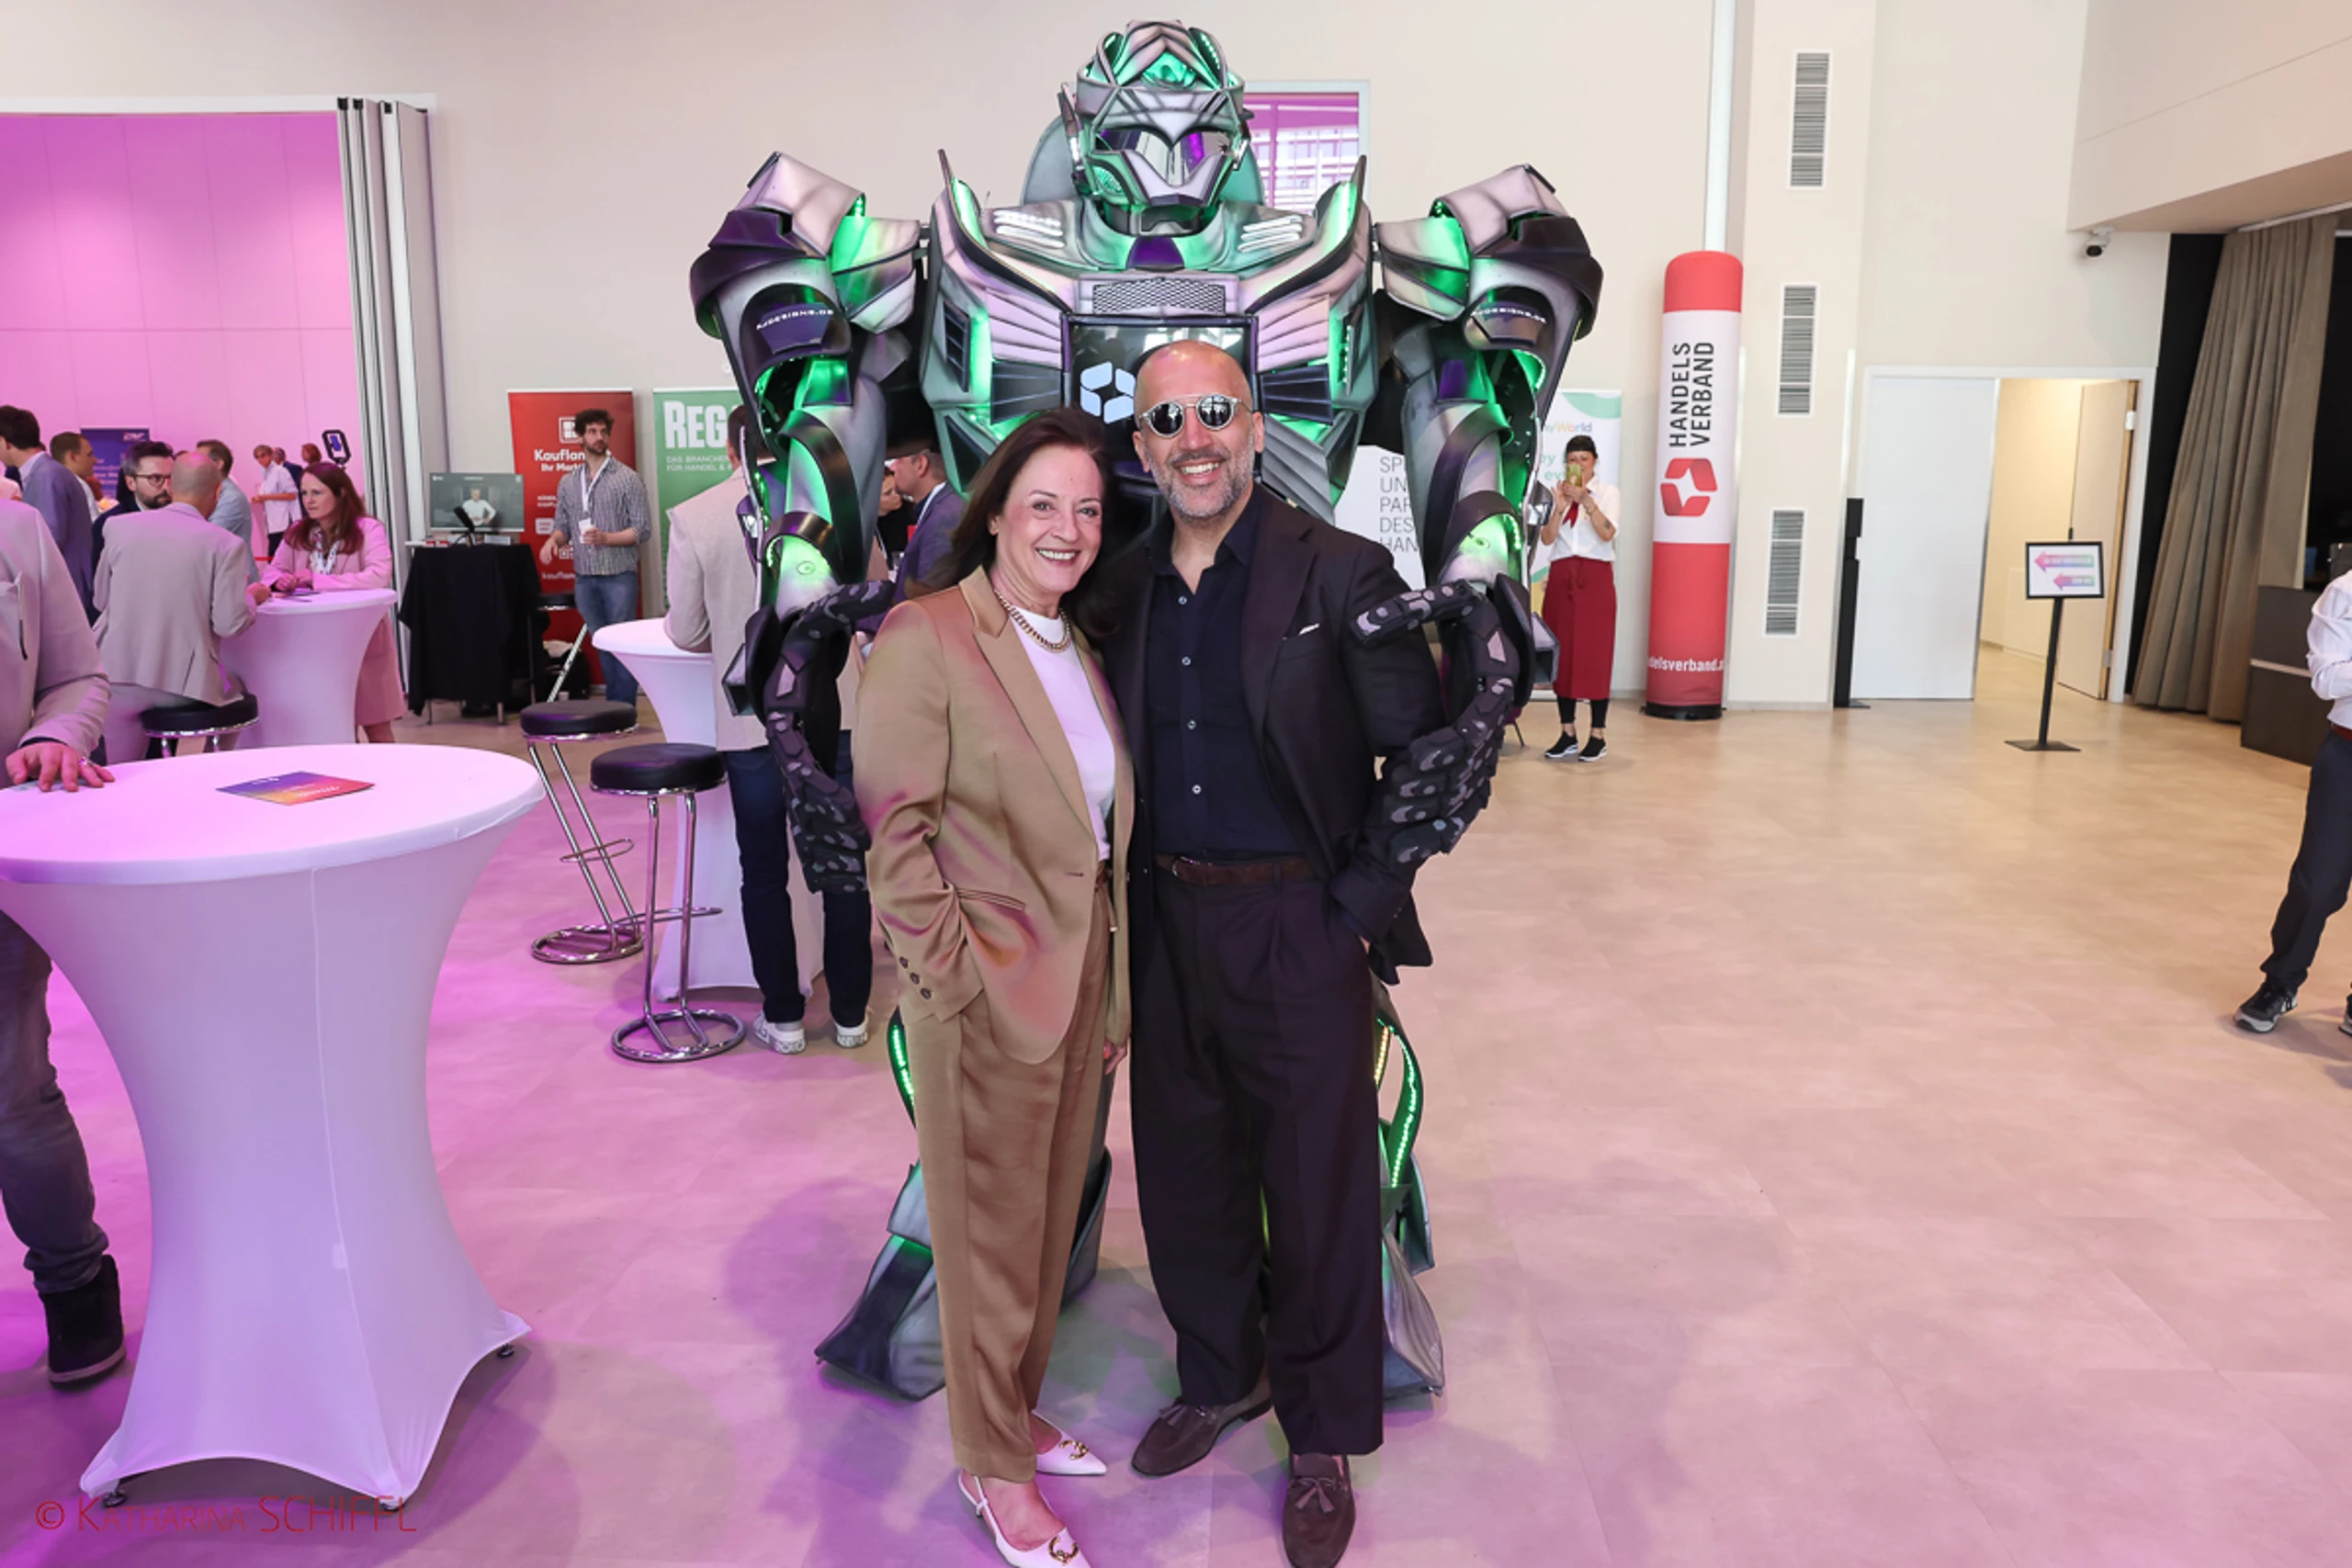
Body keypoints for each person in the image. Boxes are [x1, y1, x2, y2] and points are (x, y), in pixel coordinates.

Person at [1105, 341, 1446, 1568]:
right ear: (1141, 446)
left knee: (1318, 1191)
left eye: (1214, 412)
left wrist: (1355, 906)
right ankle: (1220, 1372)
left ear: (1254, 427)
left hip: (1299, 922)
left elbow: (1424, 752)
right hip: (1165, 921)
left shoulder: (1340, 568)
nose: (1192, 438)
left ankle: (1322, 1434)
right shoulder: (1119, 589)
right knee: (1185, 1173)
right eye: (1166, 421)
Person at [857, 408, 1133, 1568]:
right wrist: (954, 983)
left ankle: (1010, 1415)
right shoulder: (928, 633)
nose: (1068, 529)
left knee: (1044, 1230)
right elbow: (895, 835)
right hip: (984, 994)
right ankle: (990, 1468)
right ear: (997, 513)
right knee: (986, 1243)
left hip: (1080, 987)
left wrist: (1111, 998)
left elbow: (1095, 842)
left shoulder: (1075, 643)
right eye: (1044, 505)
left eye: (1088, 510)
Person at [665, 406, 874, 1054]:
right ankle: (851, 1016)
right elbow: (873, 603)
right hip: (835, 711)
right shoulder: (839, 509)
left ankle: (783, 1018)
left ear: (732, 449)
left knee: (762, 869)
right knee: (844, 866)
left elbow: (685, 631)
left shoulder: (695, 517)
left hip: (751, 718)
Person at [0, 495, 126, 1387]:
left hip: (3, 851)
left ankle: (75, 1279)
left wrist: (54, 736)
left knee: (13, 1093)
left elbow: (78, 675)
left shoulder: (14, 530)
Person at [92, 455, 265, 765]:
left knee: (123, 771)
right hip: (183, 686)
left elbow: (100, 600)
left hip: (115, 676)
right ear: (217, 493)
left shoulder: (117, 527)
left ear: (170, 486)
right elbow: (229, 624)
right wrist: (252, 597)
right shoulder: (224, 543)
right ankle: (205, 772)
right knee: (236, 688)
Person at [264, 463, 403, 744]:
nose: (309, 500)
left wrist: (318, 581)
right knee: (334, 729)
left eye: (317, 492)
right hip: (315, 643)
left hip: (362, 639)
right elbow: (272, 570)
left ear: (340, 494)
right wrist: (281, 581)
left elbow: (379, 575)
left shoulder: (367, 529)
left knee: (376, 726)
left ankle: (390, 772)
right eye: (304, 493)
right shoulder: (298, 531)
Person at [539, 408, 648, 707]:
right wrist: (552, 541)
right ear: (580, 437)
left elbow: (642, 529)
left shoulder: (627, 479)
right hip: (585, 577)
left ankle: (624, 709)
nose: (598, 437)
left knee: (622, 645)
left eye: (603, 432)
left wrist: (606, 538)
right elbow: (563, 526)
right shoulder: (568, 482)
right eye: (592, 432)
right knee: (601, 643)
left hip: (619, 576)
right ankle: (613, 707)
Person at [1535, 434, 1621, 761]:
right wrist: (1559, 509)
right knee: (1563, 653)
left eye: (1584, 459)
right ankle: (1567, 732)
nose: (1578, 465)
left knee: (1596, 654)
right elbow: (1547, 539)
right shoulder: (1557, 494)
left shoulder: (1608, 493)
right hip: (1561, 577)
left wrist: (1586, 501)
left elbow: (1607, 533)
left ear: (1594, 462)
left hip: (1594, 579)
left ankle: (1598, 734)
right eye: (1572, 460)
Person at [0, 406, 96, 619]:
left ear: (4, 441)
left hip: (66, 588)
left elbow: (50, 536)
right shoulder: (45, 472)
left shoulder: (46, 475)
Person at [891, 436, 967, 600]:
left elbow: (933, 597)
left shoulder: (944, 518)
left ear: (921, 464)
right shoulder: (943, 506)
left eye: (899, 459)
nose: (892, 467)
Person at [92, 440, 175, 566]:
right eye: (155, 479)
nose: (166, 487)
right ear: (131, 483)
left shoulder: (186, 519)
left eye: (171, 478)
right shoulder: (109, 525)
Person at [195, 440, 258, 561]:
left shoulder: (231, 498)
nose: (194, 467)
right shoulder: (208, 493)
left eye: (199, 460)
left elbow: (207, 538)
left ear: (218, 464)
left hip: (235, 571)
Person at [251, 444, 300, 556]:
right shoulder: (265, 473)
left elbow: (292, 495)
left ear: (270, 455)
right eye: (257, 457)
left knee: (277, 555)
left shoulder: (281, 471)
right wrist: (260, 499)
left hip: (284, 521)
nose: (260, 459)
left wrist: (265, 497)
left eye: (263, 455)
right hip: (272, 521)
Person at [51, 432, 105, 518]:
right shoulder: (79, 486)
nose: (95, 460)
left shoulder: (47, 484)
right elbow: (93, 524)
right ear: (72, 457)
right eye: (89, 455)